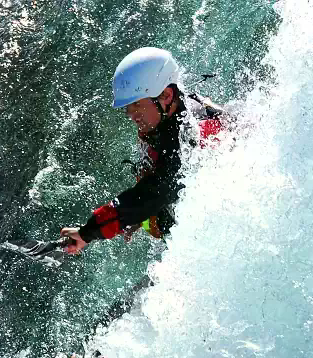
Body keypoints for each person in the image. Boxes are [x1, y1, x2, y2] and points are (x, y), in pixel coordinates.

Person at [60, 47, 227, 254]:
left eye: (137, 105)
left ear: (166, 95)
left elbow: (156, 192)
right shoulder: (168, 115)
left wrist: (89, 232)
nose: (131, 115)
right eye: (127, 107)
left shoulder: (189, 133)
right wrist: (135, 217)